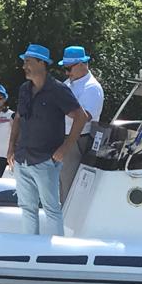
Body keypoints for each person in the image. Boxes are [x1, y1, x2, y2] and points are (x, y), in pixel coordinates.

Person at [7, 44, 87, 236]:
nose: (24, 66)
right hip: (22, 158)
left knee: (51, 209)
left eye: (28, 62)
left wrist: (65, 148)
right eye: (24, 62)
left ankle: (55, 250)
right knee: (27, 208)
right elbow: (18, 117)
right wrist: (11, 148)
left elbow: (81, 117)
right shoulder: (24, 89)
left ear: (41, 63)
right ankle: (30, 248)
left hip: (45, 159)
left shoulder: (58, 90)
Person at [59, 45, 104, 199]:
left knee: (69, 184)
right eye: (65, 69)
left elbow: (84, 117)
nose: (67, 73)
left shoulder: (92, 87)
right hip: (62, 137)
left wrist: (59, 107)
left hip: (77, 140)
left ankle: (67, 214)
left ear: (81, 65)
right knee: (58, 184)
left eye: (68, 68)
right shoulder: (69, 83)